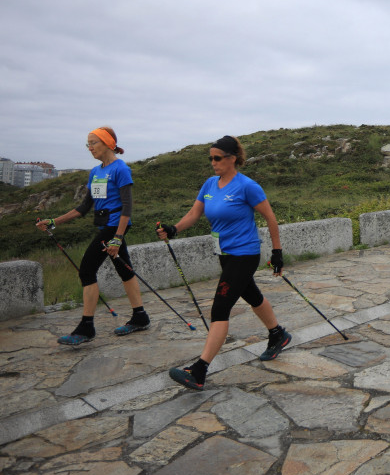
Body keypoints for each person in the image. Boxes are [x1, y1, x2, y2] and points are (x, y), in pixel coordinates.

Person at [158, 135, 290, 390]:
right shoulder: (209, 184)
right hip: (225, 254)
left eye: (217, 158)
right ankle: (278, 334)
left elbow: (271, 217)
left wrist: (277, 252)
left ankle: (199, 370)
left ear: (232, 159)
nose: (213, 163)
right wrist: (173, 229)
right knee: (251, 295)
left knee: (220, 308)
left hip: (245, 254)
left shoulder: (247, 186)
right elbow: (194, 214)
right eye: (211, 158)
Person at [36, 127, 150, 345]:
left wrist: (117, 237)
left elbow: (127, 207)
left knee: (87, 269)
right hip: (105, 226)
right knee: (124, 269)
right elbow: (84, 207)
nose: (90, 147)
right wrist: (53, 221)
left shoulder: (121, 169)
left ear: (107, 143)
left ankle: (86, 327)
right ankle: (140, 316)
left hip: (114, 227)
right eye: (87, 143)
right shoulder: (95, 172)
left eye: (93, 142)